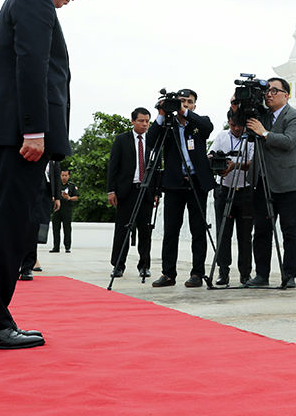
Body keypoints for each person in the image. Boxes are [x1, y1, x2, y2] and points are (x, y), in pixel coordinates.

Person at [0, 0, 95, 351]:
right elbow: (31, 65)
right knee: (6, 228)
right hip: (18, 137)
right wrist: (35, 131)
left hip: (9, 134)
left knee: (7, 227)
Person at [245, 77, 296, 289]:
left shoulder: (295, 116)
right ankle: (261, 275)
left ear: (286, 95)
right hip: (263, 181)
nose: (269, 94)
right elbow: (238, 120)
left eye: (274, 90)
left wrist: (263, 133)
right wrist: (239, 100)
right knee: (261, 231)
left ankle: (289, 275)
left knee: (290, 231)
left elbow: (289, 142)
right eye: (267, 91)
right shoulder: (260, 115)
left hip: (289, 182)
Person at [148, 90, 215, 288]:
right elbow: (151, 142)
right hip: (174, 184)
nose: (185, 104)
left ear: (194, 105)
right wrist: (161, 115)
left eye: (190, 102)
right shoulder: (167, 126)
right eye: (181, 101)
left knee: (198, 230)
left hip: (197, 182)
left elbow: (208, 128)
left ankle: (197, 273)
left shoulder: (199, 122)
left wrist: (184, 113)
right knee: (171, 230)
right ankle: (168, 273)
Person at [107, 107, 157, 278]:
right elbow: (113, 166)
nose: (145, 124)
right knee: (123, 230)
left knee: (145, 231)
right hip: (126, 191)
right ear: (133, 121)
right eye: (141, 121)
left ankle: (144, 265)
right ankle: (118, 265)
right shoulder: (122, 140)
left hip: (146, 192)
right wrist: (111, 190)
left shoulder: (153, 141)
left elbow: (157, 168)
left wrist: (157, 192)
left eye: (147, 121)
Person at [210, 111, 255, 287]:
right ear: (228, 122)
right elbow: (211, 156)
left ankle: (245, 274)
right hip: (224, 189)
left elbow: (254, 162)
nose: (236, 129)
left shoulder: (250, 138)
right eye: (233, 124)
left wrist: (235, 165)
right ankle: (223, 272)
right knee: (223, 234)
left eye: (240, 125)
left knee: (245, 235)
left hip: (245, 191)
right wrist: (216, 162)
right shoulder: (221, 136)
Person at [50, 167, 78, 253]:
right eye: (62, 175)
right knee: (55, 229)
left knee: (67, 229)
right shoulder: (56, 185)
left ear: (68, 176)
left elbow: (76, 197)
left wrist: (69, 198)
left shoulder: (72, 186)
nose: (64, 177)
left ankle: (67, 247)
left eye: (66, 175)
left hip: (67, 209)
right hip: (56, 209)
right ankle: (56, 247)